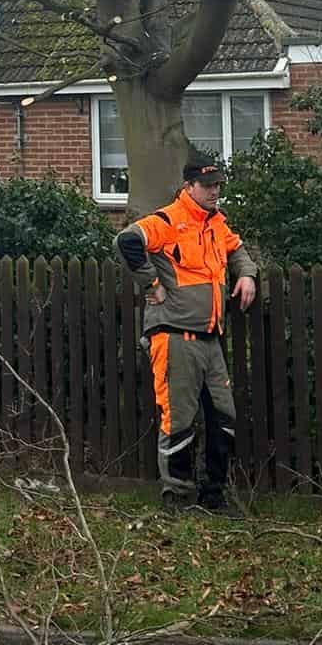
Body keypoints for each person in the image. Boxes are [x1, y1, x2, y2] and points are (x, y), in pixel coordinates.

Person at [116, 160, 258, 512]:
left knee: (223, 418)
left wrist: (247, 274)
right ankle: (176, 495)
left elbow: (236, 249)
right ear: (189, 186)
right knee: (177, 418)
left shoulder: (215, 223)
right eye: (208, 186)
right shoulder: (168, 220)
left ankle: (214, 495)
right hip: (174, 336)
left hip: (210, 337)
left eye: (218, 186)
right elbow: (127, 240)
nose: (215, 192)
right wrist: (151, 284)